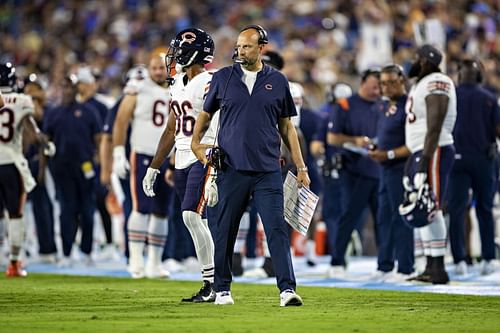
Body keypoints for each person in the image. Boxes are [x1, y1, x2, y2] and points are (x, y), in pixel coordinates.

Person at [191, 25, 309, 307]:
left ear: (261, 48)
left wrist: (301, 167)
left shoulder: (278, 81)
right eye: (239, 46)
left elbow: (287, 128)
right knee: (225, 229)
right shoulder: (223, 77)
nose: (240, 50)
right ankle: (222, 289)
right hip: (231, 167)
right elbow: (205, 115)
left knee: (276, 229)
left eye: (246, 46)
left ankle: (287, 290)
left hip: (268, 169)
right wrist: (197, 145)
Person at [142, 27, 218, 302]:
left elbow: (220, 123)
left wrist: (216, 168)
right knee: (193, 219)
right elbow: (172, 127)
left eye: (180, 49)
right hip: (183, 157)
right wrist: (155, 165)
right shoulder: (176, 83)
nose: (174, 55)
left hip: (204, 154)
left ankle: (213, 282)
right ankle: (213, 282)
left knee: (191, 216)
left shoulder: (211, 81)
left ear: (195, 52)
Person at [112, 53, 171, 279]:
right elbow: (121, 120)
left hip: (167, 157)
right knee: (141, 207)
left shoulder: (178, 88)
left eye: (161, 68)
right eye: (154, 68)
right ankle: (136, 260)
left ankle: (154, 263)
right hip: (144, 154)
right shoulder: (138, 87)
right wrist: (119, 152)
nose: (158, 72)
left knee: (161, 211)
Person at [401, 44, 456, 284]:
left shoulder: (436, 80)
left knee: (430, 206)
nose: (411, 63)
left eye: (415, 58)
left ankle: (438, 267)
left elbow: (435, 122)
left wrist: (425, 158)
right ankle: (430, 265)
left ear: (423, 61)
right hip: (422, 150)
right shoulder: (422, 83)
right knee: (423, 207)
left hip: (433, 149)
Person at [327, 68, 381, 277]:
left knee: (383, 220)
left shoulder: (385, 105)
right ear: (363, 83)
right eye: (374, 85)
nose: (378, 90)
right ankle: (337, 261)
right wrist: (354, 141)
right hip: (354, 169)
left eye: (381, 86)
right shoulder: (346, 104)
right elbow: (332, 138)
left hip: (379, 168)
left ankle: (385, 263)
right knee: (348, 217)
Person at [0, 62, 53, 277]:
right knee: (15, 214)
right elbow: (34, 130)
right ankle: (14, 262)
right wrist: (46, 144)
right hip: (11, 163)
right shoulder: (22, 101)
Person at [448, 58, 499, 276]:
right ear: (480, 76)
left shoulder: (451, 97)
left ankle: (459, 259)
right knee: (484, 209)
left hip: (456, 159)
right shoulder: (489, 98)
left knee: (457, 211)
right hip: (482, 159)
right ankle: (488, 257)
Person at [44, 75, 101, 267]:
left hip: (85, 167)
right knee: (67, 211)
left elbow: (99, 139)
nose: (67, 90)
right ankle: (66, 252)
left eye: (70, 87)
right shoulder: (53, 113)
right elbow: (46, 139)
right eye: (64, 87)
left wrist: (99, 163)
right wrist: (43, 167)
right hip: (62, 168)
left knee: (87, 210)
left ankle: (87, 252)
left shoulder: (89, 111)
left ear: (76, 89)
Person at [368, 64, 414, 281]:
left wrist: (389, 155)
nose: (386, 87)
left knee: (400, 218)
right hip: (385, 170)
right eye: (383, 83)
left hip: (401, 169)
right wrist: (376, 149)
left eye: (391, 82)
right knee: (383, 218)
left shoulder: (409, 105)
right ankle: (384, 265)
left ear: (402, 80)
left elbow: (414, 143)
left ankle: (406, 267)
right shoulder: (386, 107)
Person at [23, 75, 58, 262]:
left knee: (45, 204)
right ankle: (26, 247)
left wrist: (43, 168)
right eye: (29, 88)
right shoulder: (19, 105)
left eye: (36, 88)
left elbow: (45, 138)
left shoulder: (50, 110)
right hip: (25, 160)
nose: (31, 92)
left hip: (47, 162)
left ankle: (49, 248)